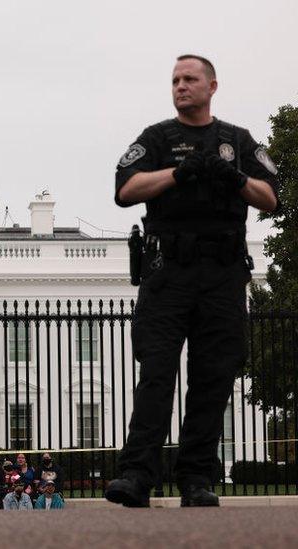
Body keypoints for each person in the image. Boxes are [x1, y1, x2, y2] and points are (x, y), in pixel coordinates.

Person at [110, 54, 279, 508]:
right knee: (157, 373)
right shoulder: (157, 138)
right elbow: (125, 189)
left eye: (189, 79)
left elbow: (270, 197)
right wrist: (178, 173)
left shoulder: (237, 140)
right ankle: (136, 475)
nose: (180, 86)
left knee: (214, 376)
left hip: (222, 274)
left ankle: (196, 478)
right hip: (169, 274)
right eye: (175, 80)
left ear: (212, 86)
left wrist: (235, 176)